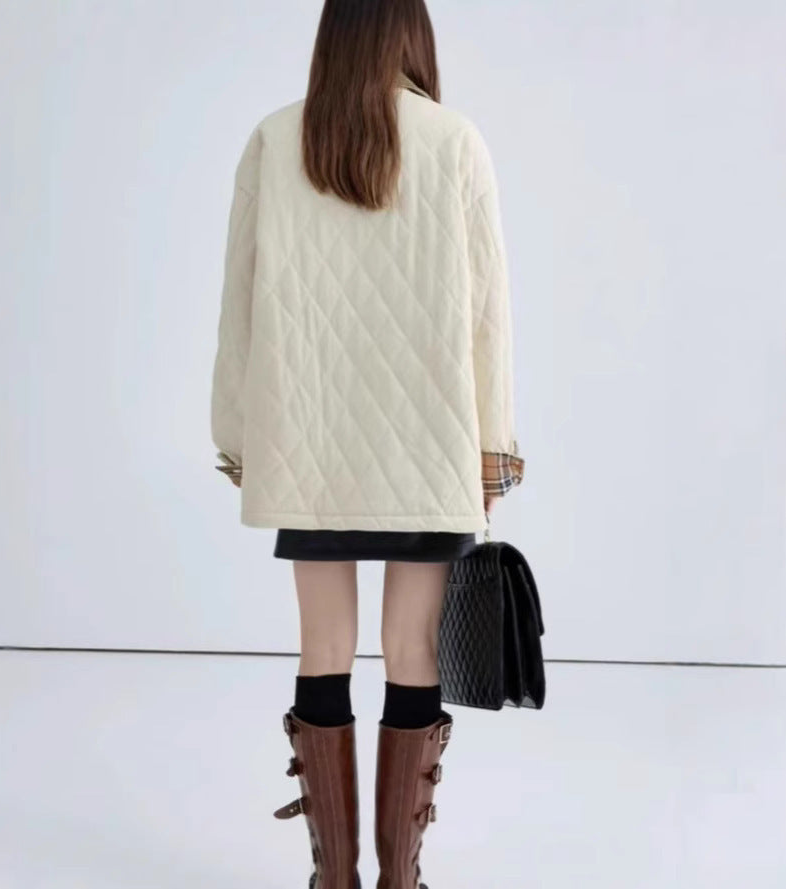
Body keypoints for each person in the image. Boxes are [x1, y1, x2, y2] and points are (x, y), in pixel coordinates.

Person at [209, 2, 524, 886]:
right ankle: (400, 878)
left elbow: (239, 303)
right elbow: (488, 317)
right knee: (413, 647)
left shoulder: (277, 139)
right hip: (429, 438)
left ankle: (334, 877)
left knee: (323, 645)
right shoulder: (455, 141)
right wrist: (491, 451)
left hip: (305, 436)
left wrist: (239, 436)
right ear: (411, 36)